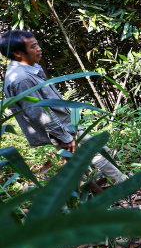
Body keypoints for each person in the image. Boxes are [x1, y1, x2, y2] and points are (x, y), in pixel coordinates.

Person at [1, 30, 127, 183]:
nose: (39, 48)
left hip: (64, 125)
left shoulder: (29, 68)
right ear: (17, 53)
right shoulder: (20, 78)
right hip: (61, 128)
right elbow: (37, 112)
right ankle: (127, 186)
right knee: (96, 153)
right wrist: (63, 136)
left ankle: (83, 195)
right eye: (33, 46)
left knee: (79, 163)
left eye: (37, 44)